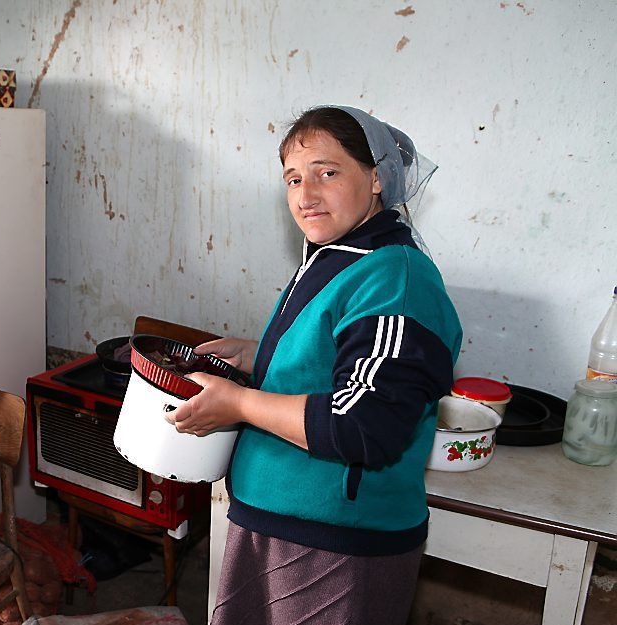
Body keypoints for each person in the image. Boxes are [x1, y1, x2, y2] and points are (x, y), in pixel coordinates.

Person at [169, 105, 462, 625]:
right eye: (294, 179)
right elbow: (335, 361)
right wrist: (260, 353)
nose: (306, 195)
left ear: (376, 177)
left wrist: (238, 401)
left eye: (328, 172)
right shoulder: (334, 258)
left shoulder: (396, 277)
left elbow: (364, 425)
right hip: (276, 520)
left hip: (338, 544)